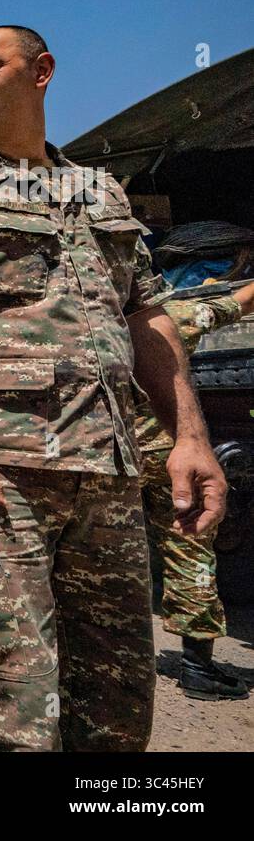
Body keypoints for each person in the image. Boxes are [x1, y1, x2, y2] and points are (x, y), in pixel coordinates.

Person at [0, 25, 227, 751]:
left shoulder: (101, 195)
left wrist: (190, 437)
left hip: (110, 481)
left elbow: (148, 317)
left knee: (117, 714)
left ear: (41, 72)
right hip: (0, 486)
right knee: (14, 718)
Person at [137, 283, 254, 700]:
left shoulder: (83, 321)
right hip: (166, 460)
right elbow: (235, 305)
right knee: (189, 549)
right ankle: (196, 666)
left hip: (105, 457)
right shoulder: (167, 318)